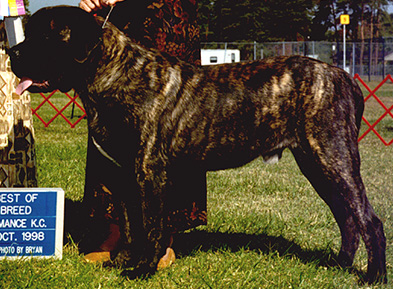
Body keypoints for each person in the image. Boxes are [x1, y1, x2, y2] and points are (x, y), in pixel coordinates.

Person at [78, 0, 206, 269]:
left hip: (167, 15)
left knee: (173, 128)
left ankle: (163, 238)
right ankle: (115, 232)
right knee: (111, 121)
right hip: (120, 18)